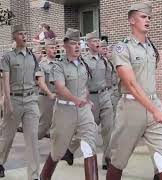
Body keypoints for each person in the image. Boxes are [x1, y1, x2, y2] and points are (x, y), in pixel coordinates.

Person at [106, 2, 162, 179]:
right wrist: (155, 109)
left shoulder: (151, 47)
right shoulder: (122, 47)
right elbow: (131, 83)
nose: (148, 20)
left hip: (153, 106)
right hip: (131, 108)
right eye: (143, 17)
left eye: (149, 17)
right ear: (131, 20)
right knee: (118, 160)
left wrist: (155, 106)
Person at [40, 28, 98, 180]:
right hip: (64, 111)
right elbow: (60, 87)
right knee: (57, 151)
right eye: (73, 43)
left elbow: (84, 84)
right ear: (65, 46)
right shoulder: (59, 66)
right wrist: (76, 100)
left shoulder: (83, 64)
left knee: (89, 147)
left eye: (79, 43)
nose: (77, 46)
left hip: (83, 111)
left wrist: (86, 98)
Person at [67, 31, 115, 170]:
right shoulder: (83, 61)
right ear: (88, 44)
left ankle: (108, 159)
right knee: (89, 130)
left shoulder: (105, 60)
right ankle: (70, 150)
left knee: (109, 128)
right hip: (91, 98)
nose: (97, 43)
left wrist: (109, 93)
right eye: (94, 41)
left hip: (105, 96)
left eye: (98, 40)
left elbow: (109, 78)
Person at [0, 24, 42, 180]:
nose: (24, 36)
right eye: (20, 34)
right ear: (14, 37)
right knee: (7, 136)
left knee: (32, 139)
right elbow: (5, 81)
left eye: (25, 33)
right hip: (14, 99)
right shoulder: (7, 57)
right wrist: (8, 104)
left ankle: (34, 176)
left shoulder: (33, 56)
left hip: (31, 100)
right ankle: (0, 162)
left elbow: (38, 76)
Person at [37, 39, 58, 140]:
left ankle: (57, 151)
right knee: (44, 124)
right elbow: (41, 82)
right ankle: (33, 141)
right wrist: (49, 93)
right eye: (52, 48)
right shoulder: (42, 64)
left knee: (58, 124)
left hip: (58, 97)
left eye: (55, 48)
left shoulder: (59, 64)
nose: (55, 50)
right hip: (46, 98)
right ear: (46, 50)